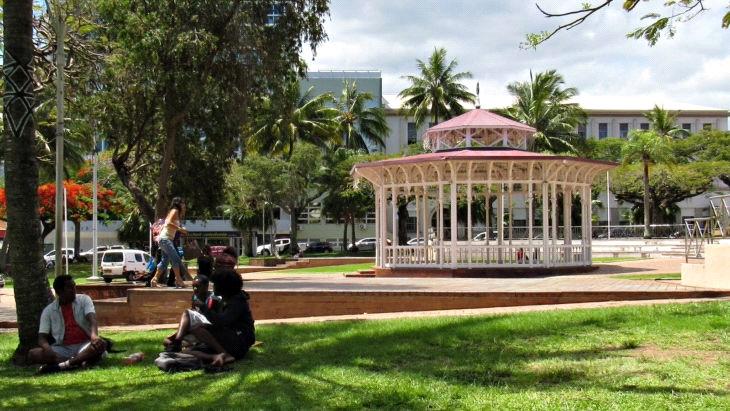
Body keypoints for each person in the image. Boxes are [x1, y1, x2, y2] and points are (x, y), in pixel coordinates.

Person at [163, 269, 255, 367]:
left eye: (215, 284)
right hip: (229, 339)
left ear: (224, 286)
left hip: (239, 342)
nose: (213, 286)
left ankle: (225, 354)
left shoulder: (237, 301)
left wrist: (203, 308)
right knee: (187, 351)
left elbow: (222, 321)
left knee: (197, 328)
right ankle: (216, 356)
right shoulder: (228, 298)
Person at [28, 275, 107, 373]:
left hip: (85, 344)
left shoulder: (84, 300)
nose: (74, 289)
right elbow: (41, 338)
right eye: (69, 287)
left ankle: (64, 365)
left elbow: (92, 319)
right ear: (59, 291)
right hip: (63, 348)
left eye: (74, 286)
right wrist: (48, 349)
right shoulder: (49, 310)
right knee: (33, 353)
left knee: (100, 345)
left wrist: (94, 336)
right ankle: (76, 362)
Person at [151, 197, 188, 288]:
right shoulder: (174, 210)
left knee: (165, 261)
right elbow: (168, 222)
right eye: (182, 203)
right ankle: (179, 280)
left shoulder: (176, 212)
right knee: (175, 259)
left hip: (166, 239)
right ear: (178, 203)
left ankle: (154, 280)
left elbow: (171, 224)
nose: (184, 205)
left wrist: (181, 229)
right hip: (165, 239)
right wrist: (180, 229)